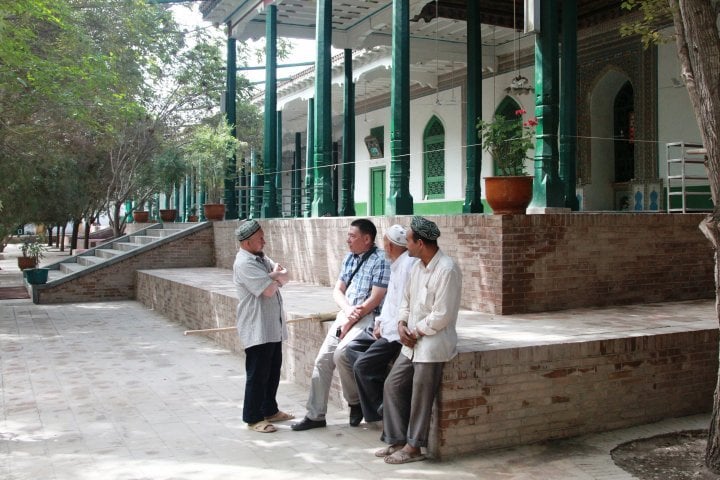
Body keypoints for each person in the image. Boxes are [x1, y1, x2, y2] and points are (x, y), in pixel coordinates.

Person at [375, 216, 462, 464]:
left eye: (409, 241)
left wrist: (415, 332)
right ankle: (397, 439)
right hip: (411, 341)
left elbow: (442, 315)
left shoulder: (447, 269)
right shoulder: (416, 267)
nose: (406, 245)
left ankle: (414, 447)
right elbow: (406, 302)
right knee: (392, 385)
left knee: (421, 395)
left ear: (421, 243)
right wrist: (402, 324)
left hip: (433, 343)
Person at [292, 218, 390, 431]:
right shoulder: (350, 258)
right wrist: (347, 311)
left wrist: (353, 316)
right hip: (347, 314)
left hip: (367, 317)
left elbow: (376, 298)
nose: (348, 240)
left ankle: (354, 403)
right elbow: (338, 290)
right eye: (348, 236)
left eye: (352, 236)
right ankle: (315, 415)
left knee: (342, 354)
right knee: (322, 361)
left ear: (367, 239)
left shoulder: (381, 260)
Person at [342, 224, 417, 425]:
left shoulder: (407, 267)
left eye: (385, 244)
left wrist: (385, 328)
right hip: (384, 327)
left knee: (362, 366)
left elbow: (403, 307)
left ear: (390, 247)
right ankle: (375, 391)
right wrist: (379, 323)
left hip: (395, 333)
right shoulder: (395, 264)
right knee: (350, 350)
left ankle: (378, 408)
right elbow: (388, 304)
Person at [233, 220, 294, 434]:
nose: (264, 241)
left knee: (272, 369)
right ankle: (253, 416)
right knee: (257, 373)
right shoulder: (244, 263)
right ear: (248, 242)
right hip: (256, 326)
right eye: (260, 238)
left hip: (272, 325)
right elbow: (267, 291)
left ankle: (270, 409)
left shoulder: (260, 258)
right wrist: (275, 277)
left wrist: (274, 277)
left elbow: (284, 274)